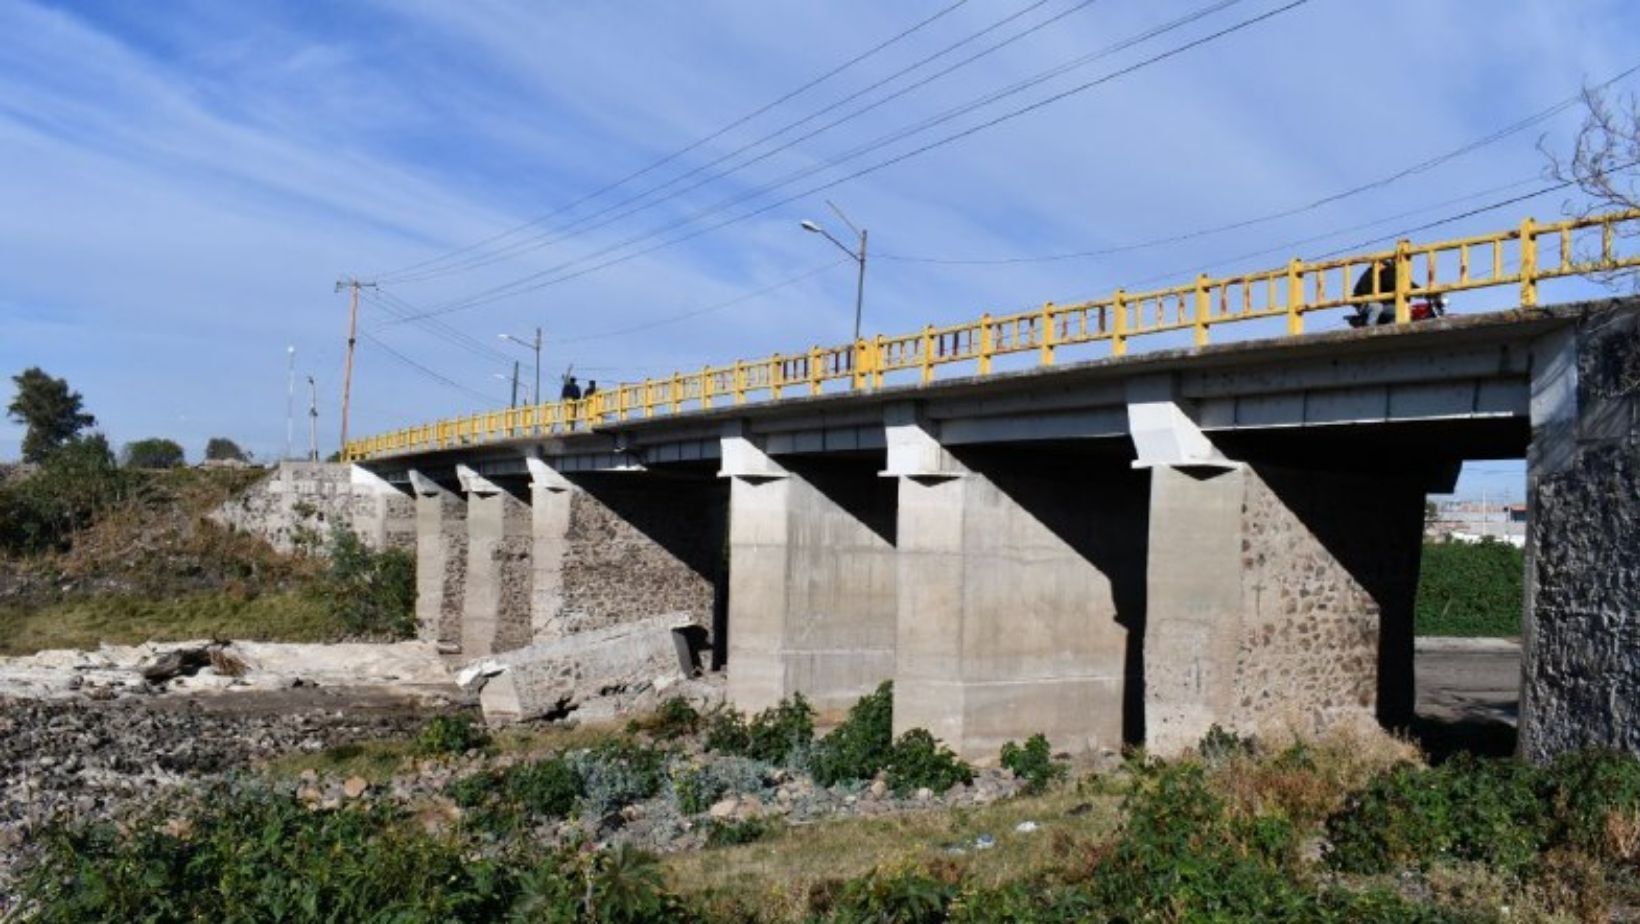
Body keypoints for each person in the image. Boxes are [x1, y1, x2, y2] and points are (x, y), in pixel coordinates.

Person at [1352, 257, 1418, 326]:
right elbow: (1365, 292)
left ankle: (1390, 329)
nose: (1383, 267)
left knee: (1397, 311)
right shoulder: (1368, 275)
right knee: (1376, 307)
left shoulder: (1385, 273)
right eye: (1382, 265)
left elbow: (1405, 283)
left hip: (1380, 303)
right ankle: (1370, 328)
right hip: (1364, 303)